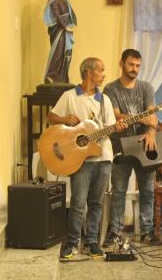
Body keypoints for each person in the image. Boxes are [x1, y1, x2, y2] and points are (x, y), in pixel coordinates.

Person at [47, 57, 126, 259]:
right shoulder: (69, 96)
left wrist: (117, 127)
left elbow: (109, 128)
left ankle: (91, 242)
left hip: (104, 157)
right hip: (79, 159)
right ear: (89, 73)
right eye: (101, 70)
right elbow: (51, 117)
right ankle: (73, 242)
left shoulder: (105, 100)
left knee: (97, 202)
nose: (104, 74)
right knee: (78, 202)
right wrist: (65, 119)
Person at [102, 49, 161, 247]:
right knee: (118, 190)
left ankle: (147, 231)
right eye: (131, 65)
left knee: (147, 190)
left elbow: (154, 117)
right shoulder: (110, 89)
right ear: (122, 64)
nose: (134, 69)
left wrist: (151, 132)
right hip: (119, 145)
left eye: (138, 66)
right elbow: (118, 115)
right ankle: (115, 232)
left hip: (144, 145)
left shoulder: (146, 88)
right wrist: (147, 118)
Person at [43, 0, 77, 83]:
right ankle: (51, 76)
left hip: (67, 31)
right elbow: (58, 16)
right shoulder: (55, 2)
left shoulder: (66, 2)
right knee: (58, 52)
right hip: (59, 31)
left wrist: (71, 25)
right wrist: (65, 26)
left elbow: (70, 15)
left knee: (66, 53)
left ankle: (62, 77)